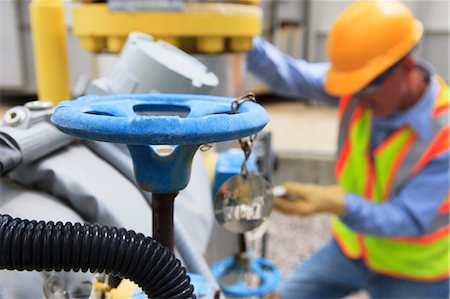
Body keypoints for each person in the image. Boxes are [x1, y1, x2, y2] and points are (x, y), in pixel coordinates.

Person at [247, 1, 449, 298]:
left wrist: (338, 202)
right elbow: (291, 76)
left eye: (366, 89)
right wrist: (239, 35)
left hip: (415, 272)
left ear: (406, 66)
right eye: (353, 89)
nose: (358, 100)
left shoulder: (443, 133)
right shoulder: (362, 85)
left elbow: (408, 218)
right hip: (352, 249)